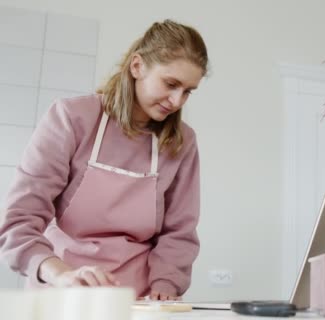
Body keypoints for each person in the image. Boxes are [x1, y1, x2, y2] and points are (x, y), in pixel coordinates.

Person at [0, 19, 208, 300]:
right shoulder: (72, 118)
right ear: (137, 66)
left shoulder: (181, 142)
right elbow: (19, 221)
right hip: (61, 289)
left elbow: (179, 232)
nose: (176, 101)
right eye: (170, 84)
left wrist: (165, 287)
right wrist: (60, 274)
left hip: (137, 297)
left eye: (187, 91)